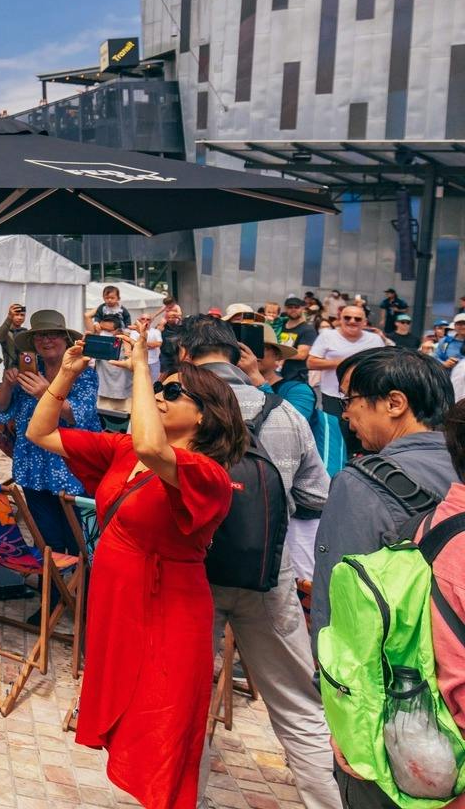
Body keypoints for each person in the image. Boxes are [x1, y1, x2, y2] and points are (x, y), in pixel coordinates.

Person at [25, 328, 244, 809]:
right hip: (121, 606)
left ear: (205, 415)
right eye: (158, 390)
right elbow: (39, 433)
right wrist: (63, 376)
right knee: (130, 725)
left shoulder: (209, 475)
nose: (160, 398)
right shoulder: (124, 452)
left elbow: (152, 449)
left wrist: (143, 370)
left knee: (161, 735)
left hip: (168, 615)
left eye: (173, 392)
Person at [178, 318, 338, 809]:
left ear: (185, 354)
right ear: (236, 353)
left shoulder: (174, 406)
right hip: (269, 574)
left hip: (191, 575)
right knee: (296, 702)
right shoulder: (284, 413)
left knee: (189, 703)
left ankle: (187, 799)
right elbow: (316, 495)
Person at [310, 349, 456, 640]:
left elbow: (344, 592)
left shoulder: (360, 482)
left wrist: (331, 674)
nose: (346, 412)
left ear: (394, 403)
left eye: (350, 400)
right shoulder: (456, 463)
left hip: (403, 673)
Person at [0, 309, 102, 555]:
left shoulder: (83, 374)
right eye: (39, 336)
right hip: (32, 470)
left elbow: (79, 415)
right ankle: (54, 593)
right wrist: (6, 384)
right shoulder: (30, 372)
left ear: (67, 340)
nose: (46, 340)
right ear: (33, 344)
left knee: (79, 545)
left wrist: (46, 393)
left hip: (72, 472)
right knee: (48, 545)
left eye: (54, 335)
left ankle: (80, 594)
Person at [308, 302, 388, 434]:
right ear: (340, 319)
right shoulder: (327, 336)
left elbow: (382, 367)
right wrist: (347, 362)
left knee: (361, 434)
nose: (352, 321)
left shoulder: (375, 340)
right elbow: (311, 363)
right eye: (347, 317)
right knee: (335, 434)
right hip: (333, 395)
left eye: (357, 319)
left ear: (365, 322)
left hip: (364, 396)